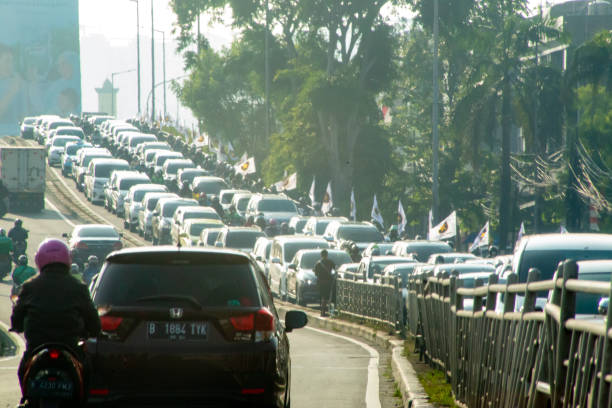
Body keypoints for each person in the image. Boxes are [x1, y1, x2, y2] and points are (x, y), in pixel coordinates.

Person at [10, 238, 101, 402]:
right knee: (86, 369)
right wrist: (94, 331)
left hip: (37, 346)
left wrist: (16, 326)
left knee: (23, 369)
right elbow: (92, 317)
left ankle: (26, 398)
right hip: (70, 346)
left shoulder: (30, 286)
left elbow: (17, 315)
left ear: (39, 260)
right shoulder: (78, 287)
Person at [314, 249, 336, 317]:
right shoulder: (330, 262)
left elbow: (316, 273)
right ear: (327, 255)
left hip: (321, 283)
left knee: (323, 297)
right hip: (329, 282)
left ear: (321, 255)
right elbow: (334, 270)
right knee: (330, 297)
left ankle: (322, 312)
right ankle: (330, 312)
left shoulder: (318, 263)